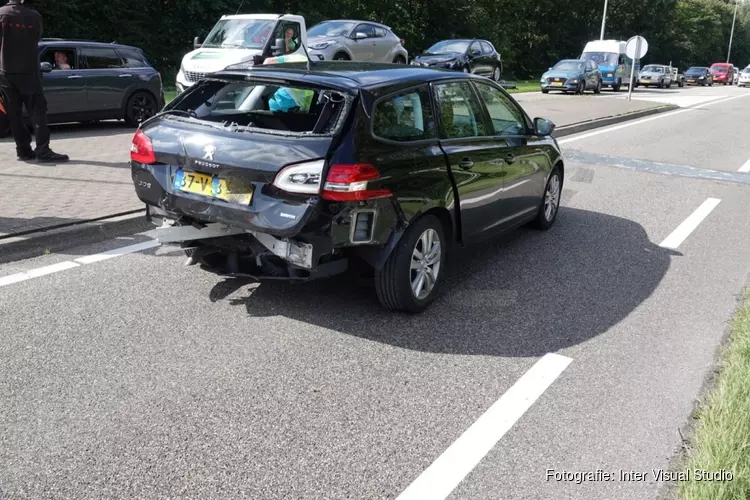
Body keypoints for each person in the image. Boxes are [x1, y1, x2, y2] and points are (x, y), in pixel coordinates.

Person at [0, 0, 68, 162]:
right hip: (29, 71)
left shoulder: (1, 13)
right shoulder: (34, 16)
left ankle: (23, 151)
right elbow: (36, 37)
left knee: (14, 114)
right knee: (38, 112)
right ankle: (43, 150)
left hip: (5, 72)